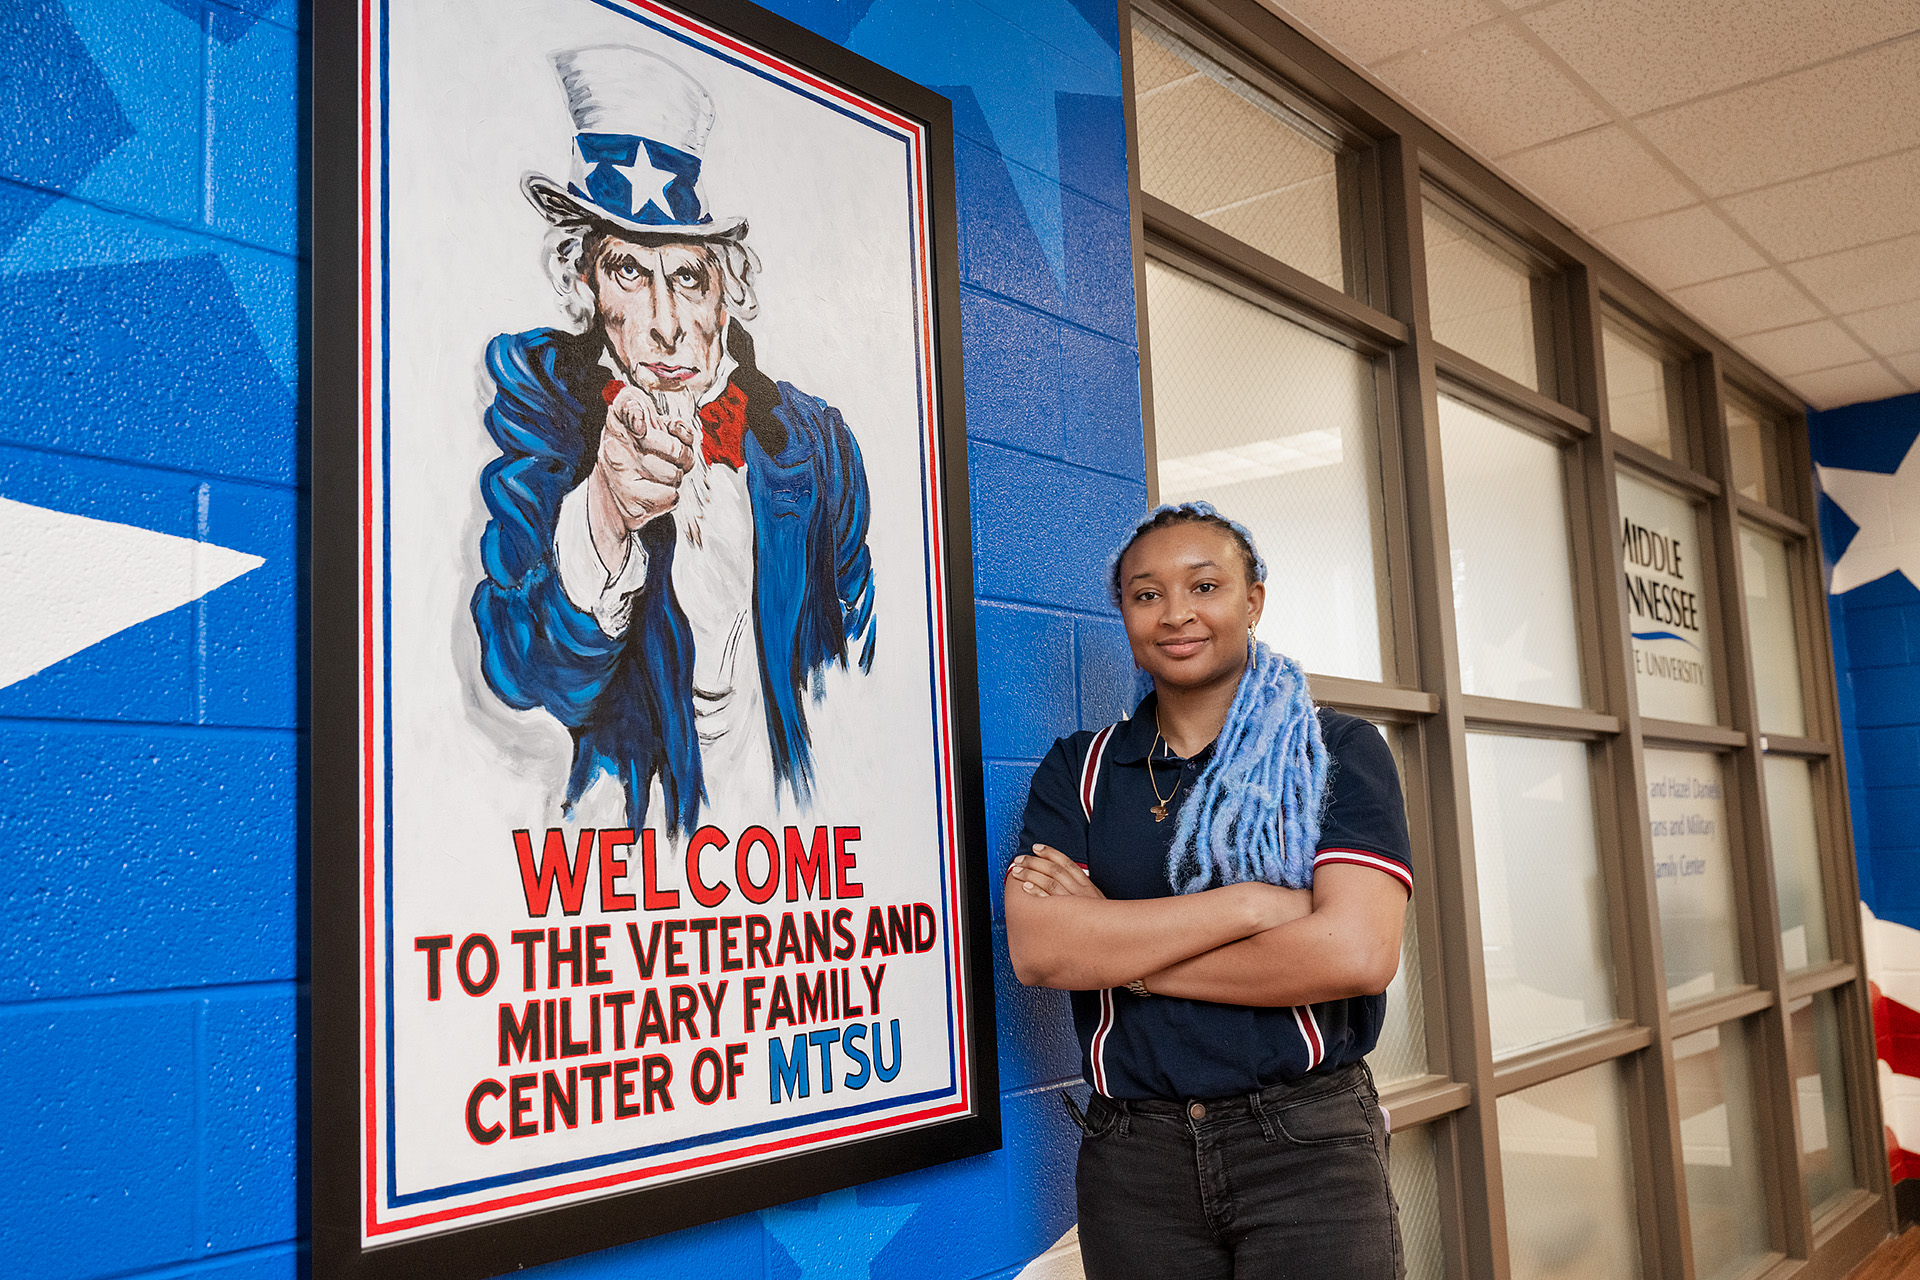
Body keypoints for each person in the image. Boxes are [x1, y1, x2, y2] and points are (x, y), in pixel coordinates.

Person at [470, 45, 876, 835]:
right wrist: (604, 515)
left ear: (727, 290)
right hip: (633, 853)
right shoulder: (541, 408)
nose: (664, 324)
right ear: (586, 286)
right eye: (629, 272)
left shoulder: (817, 443)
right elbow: (527, 673)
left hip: (797, 845)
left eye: (687, 277)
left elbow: (858, 666)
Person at [1006, 502, 1412, 1279]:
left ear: (1253, 600)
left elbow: (1355, 954)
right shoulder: (1078, 771)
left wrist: (1124, 956)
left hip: (1305, 1146)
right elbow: (1043, 951)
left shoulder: (1334, 750)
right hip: (1134, 1158)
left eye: (1204, 586)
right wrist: (1249, 907)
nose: (1176, 614)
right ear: (1124, 613)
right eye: (1146, 594)